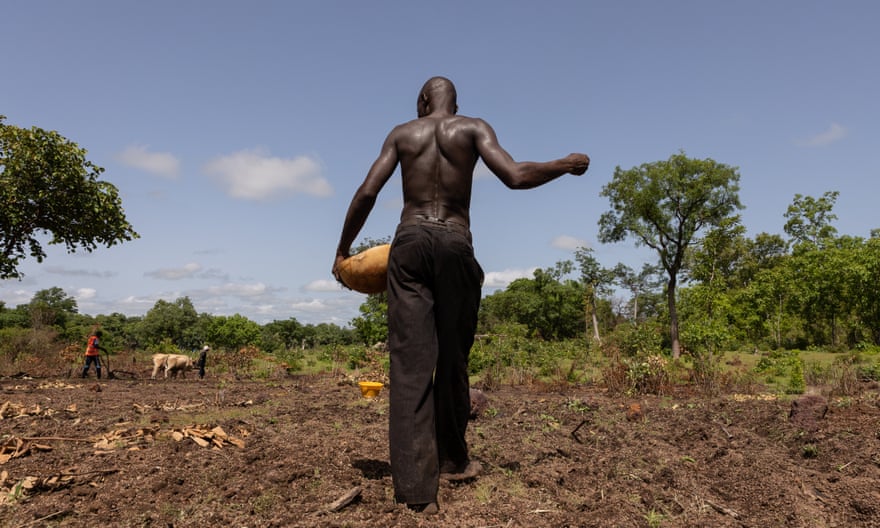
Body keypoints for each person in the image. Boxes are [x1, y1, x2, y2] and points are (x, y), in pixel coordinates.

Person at [332, 76, 589, 514]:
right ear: (455, 102)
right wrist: (564, 163)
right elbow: (515, 176)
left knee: (411, 364)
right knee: (453, 359)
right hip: (455, 241)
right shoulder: (474, 128)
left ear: (421, 101)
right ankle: (452, 460)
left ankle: (417, 492)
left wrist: (342, 250)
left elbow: (367, 192)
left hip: (409, 242)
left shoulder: (402, 134)